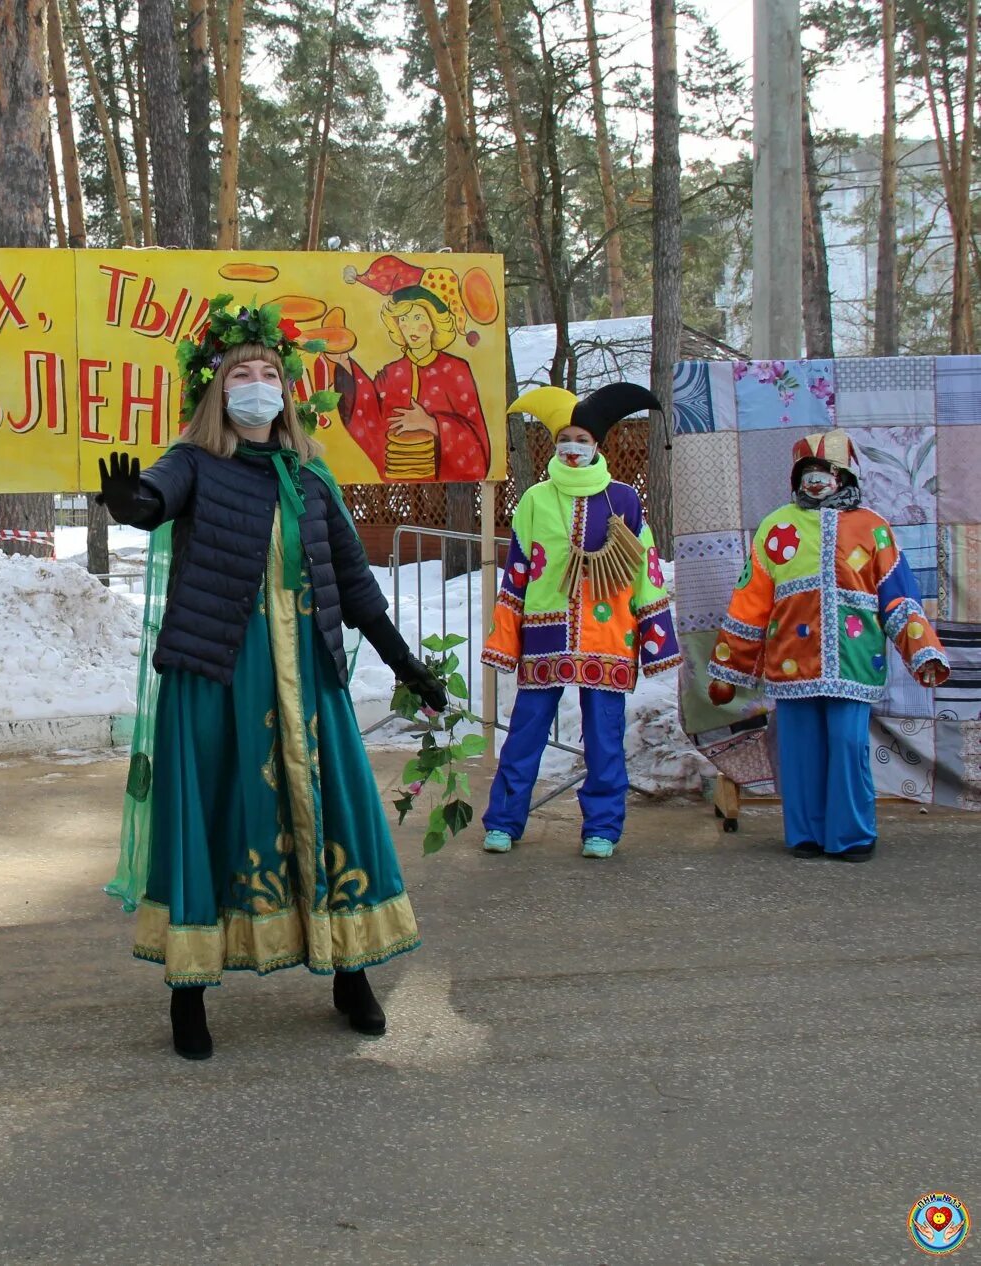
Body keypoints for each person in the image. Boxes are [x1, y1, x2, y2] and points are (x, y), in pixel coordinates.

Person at [98, 297, 446, 1061]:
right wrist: (133, 505)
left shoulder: (310, 481)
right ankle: (188, 993)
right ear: (218, 391)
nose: (257, 384)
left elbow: (354, 586)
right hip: (217, 678)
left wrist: (403, 661)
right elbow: (156, 498)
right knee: (213, 820)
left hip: (308, 679)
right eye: (241, 373)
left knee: (334, 817)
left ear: (287, 391)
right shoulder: (192, 464)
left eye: (269, 373)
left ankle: (348, 970)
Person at [708, 429, 949, 862]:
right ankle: (805, 833)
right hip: (791, 662)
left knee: (846, 743)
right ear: (796, 478)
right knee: (799, 750)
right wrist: (729, 668)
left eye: (827, 470)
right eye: (808, 471)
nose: (816, 479)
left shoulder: (873, 528)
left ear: (845, 476)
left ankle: (852, 835)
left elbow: (898, 596)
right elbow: (750, 602)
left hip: (854, 661)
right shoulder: (776, 527)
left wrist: (922, 649)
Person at [480, 383, 680, 859]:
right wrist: (506, 637)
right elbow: (519, 570)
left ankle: (603, 828)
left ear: (597, 446)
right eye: (565, 438)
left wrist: (656, 640)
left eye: (583, 439)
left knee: (604, 736)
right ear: (555, 444)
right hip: (545, 631)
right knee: (526, 731)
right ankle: (504, 821)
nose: (573, 446)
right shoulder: (534, 500)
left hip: (606, 634)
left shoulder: (625, 500)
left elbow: (646, 569)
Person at [335, 254, 490, 482]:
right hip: (397, 482)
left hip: (443, 481)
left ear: (436, 321)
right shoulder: (391, 373)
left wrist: (432, 424)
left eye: (418, 317)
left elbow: (477, 444)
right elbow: (368, 414)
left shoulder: (456, 370)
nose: (411, 327)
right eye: (403, 320)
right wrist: (345, 364)